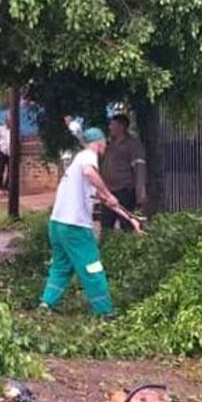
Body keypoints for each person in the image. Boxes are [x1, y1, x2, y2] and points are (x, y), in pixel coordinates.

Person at [39, 127, 141, 318]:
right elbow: (90, 174)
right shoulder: (88, 156)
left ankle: (46, 304)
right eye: (104, 144)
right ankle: (106, 313)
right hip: (75, 227)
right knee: (93, 267)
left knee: (62, 266)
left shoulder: (76, 162)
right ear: (99, 142)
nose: (105, 148)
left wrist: (130, 219)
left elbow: (102, 197)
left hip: (57, 224)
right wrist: (110, 194)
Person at [101, 114, 147, 232]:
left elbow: (139, 168)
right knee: (106, 226)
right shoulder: (110, 145)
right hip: (108, 193)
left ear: (121, 126)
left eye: (112, 125)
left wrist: (140, 192)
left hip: (125, 191)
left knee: (127, 225)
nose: (110, 127)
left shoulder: (132, 144)